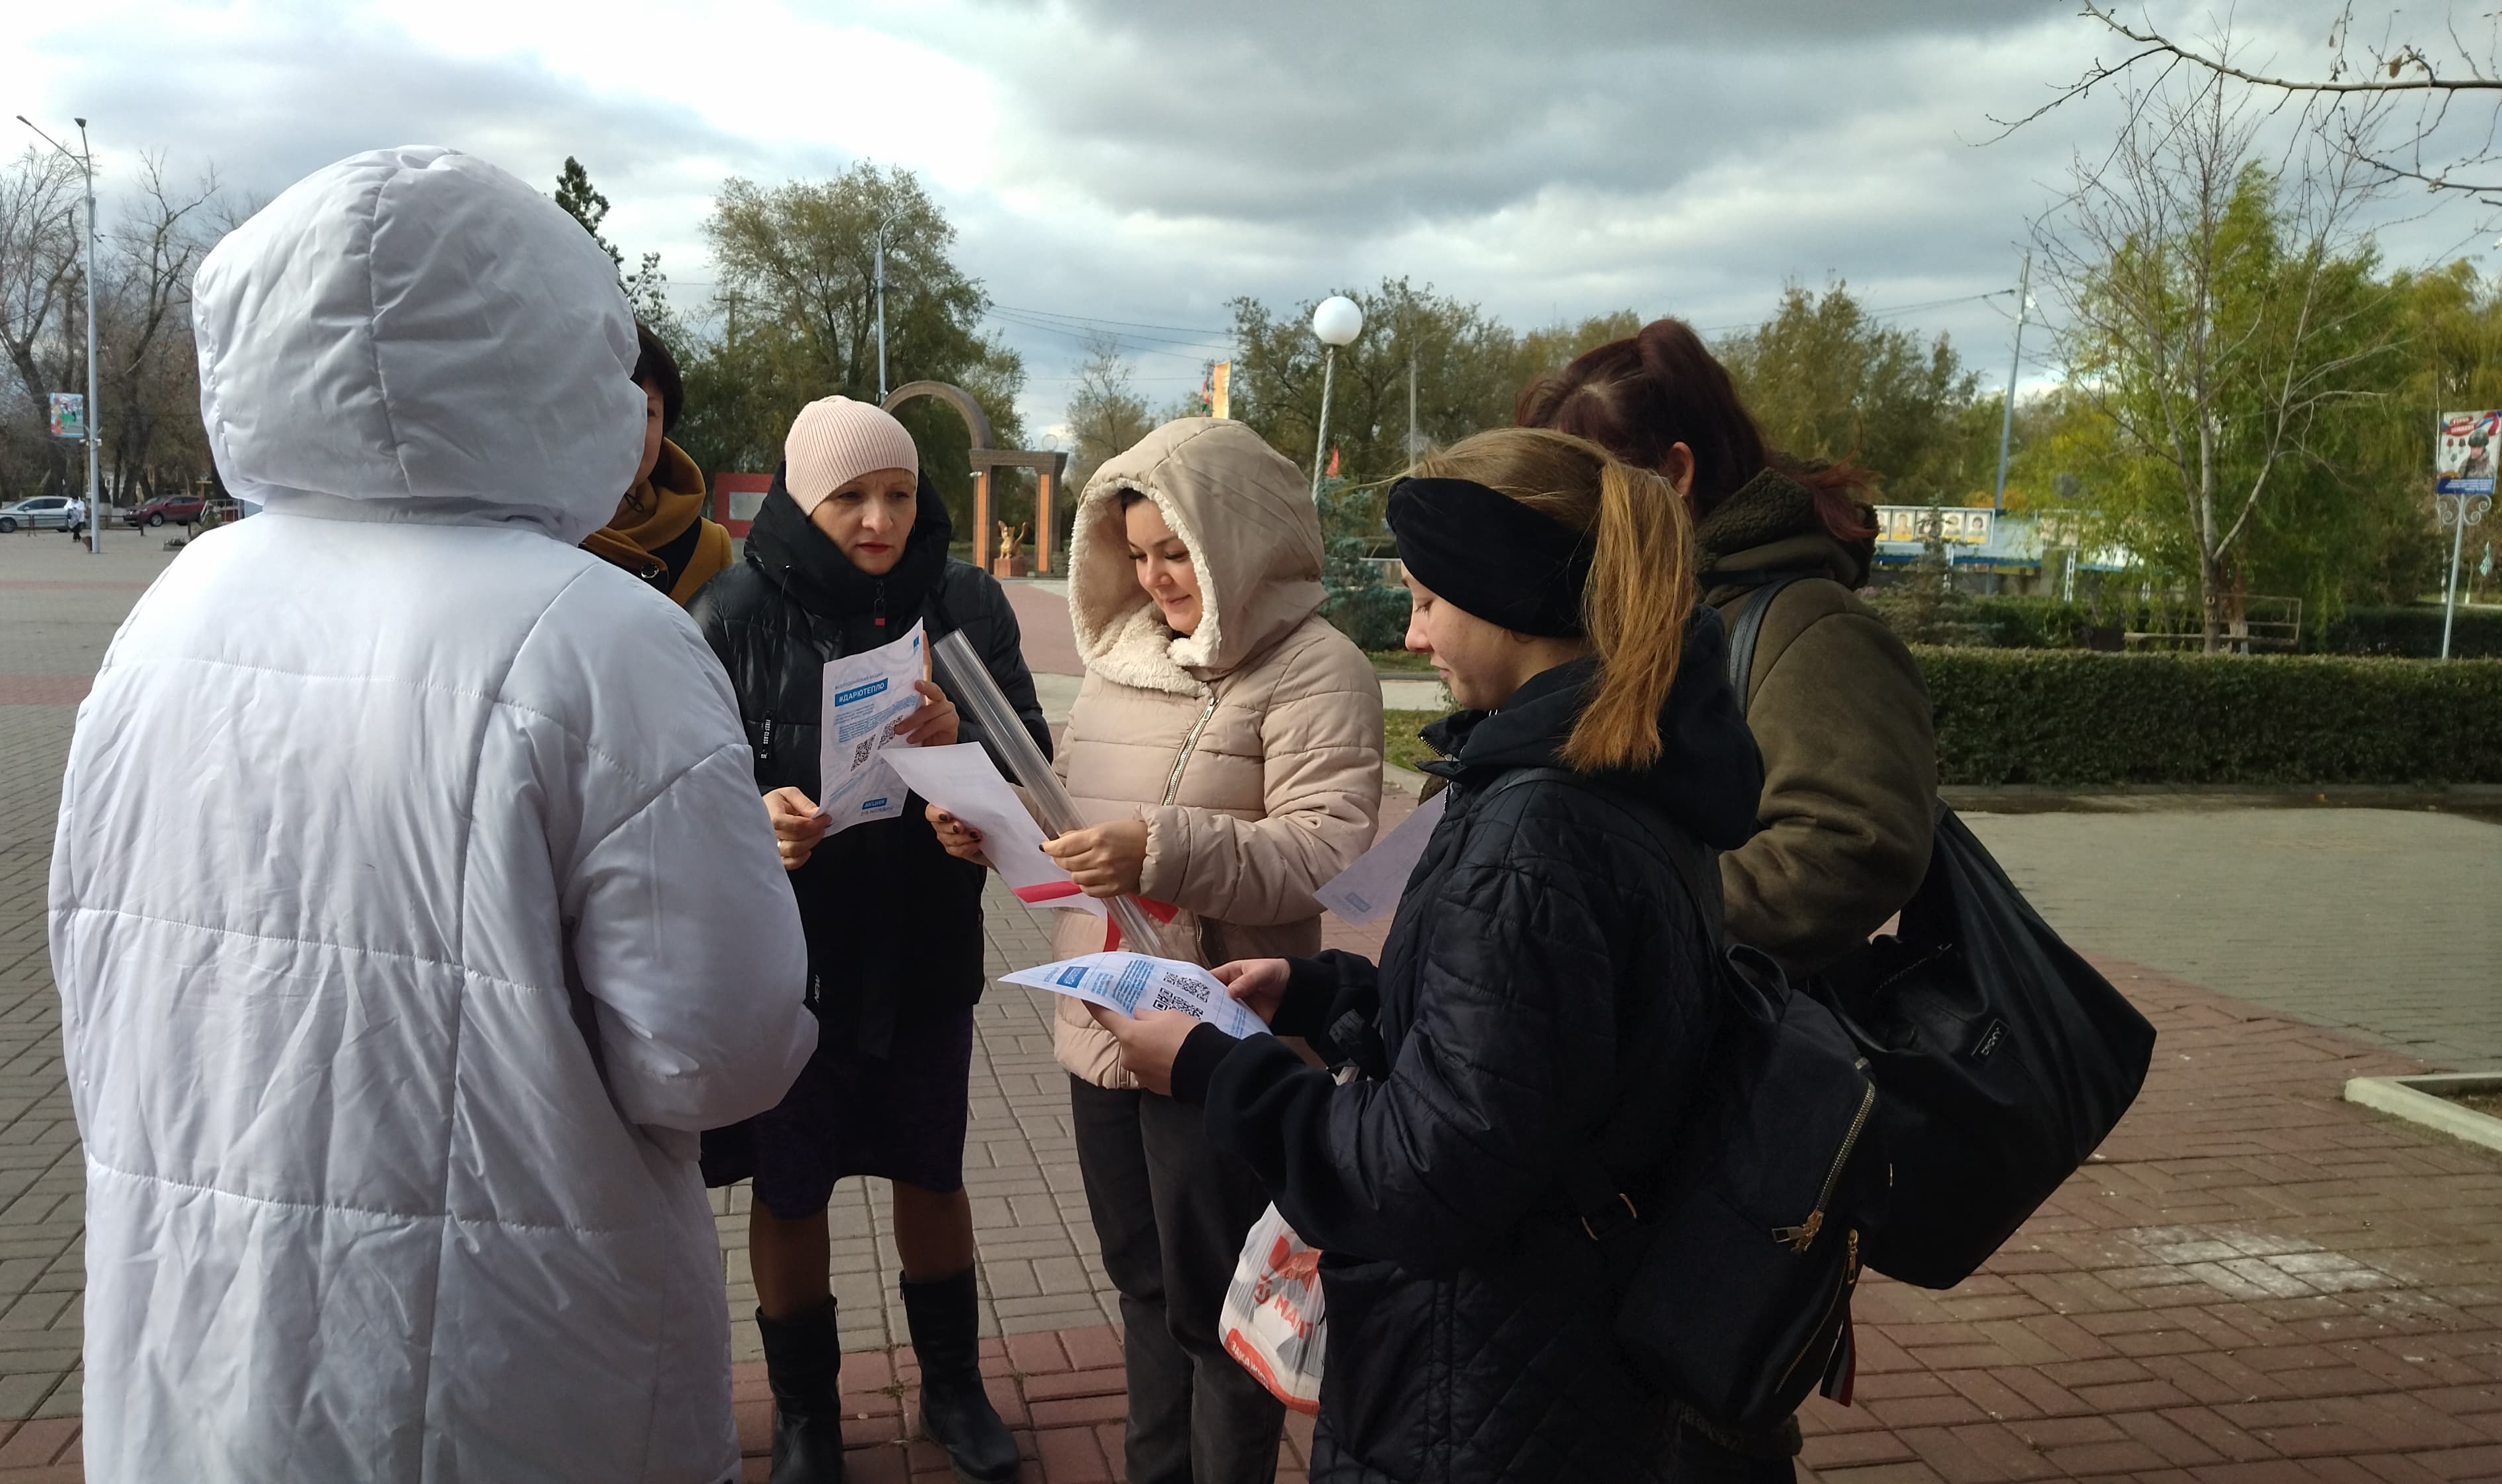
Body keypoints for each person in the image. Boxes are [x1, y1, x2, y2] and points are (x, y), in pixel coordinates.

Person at [50, 146, 819, 1484]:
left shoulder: (171, 612)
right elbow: (712, 1052)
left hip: (205, 1349)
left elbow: (96, 960)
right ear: (563, 356)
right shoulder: (605, 639)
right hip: (517, 1365)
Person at [1090, 428, 1768, 1483]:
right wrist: (1324, 988)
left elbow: (1419, 1170)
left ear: (1507, 598)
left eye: (1426, 599)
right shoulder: (1626, 765)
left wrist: (1217, 1070)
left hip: (1485, 1377)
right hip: (1561, 1334)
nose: (1412, 637)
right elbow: (1523, 1041)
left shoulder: (1538, 829)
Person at [933, 417, 1383, 1484]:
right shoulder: (1125, 659)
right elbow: (1071, 827)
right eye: (1135, 555)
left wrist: (1160, 848)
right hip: (1100, 1020)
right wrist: (991, 829)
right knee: (1140, 1283)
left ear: (1238, 538)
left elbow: (1327, 852)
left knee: (1221, 1303)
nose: (1155, 578)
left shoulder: (1321, 669)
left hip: (1224, 1026)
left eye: (1174, 551)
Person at [687, 396, 1046, 1484]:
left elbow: (1028, 757)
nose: (879, 517)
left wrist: (965, 749)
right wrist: (758, 821)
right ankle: (808, 1419)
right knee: (790, 1190)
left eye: (897, 492)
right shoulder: (733, 613)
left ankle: (954, 1389)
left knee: (932, 1173)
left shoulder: (963, 598)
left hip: (928, 946)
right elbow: (689, 785)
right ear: (802, 497)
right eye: (850, 496)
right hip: (793, 963)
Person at [1517, 319, 1935, 979]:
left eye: (1591, 490)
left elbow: (1848, 846)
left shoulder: (1810, 627)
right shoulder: (1627, 612)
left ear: (1675, 472)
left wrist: (1611, 920)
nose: (1567, 519)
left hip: (1739, 1043)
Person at [584, 323, 733, 605]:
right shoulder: (522, 530)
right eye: (611, 406)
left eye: (647, 412)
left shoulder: (707, 547)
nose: (630, 428)